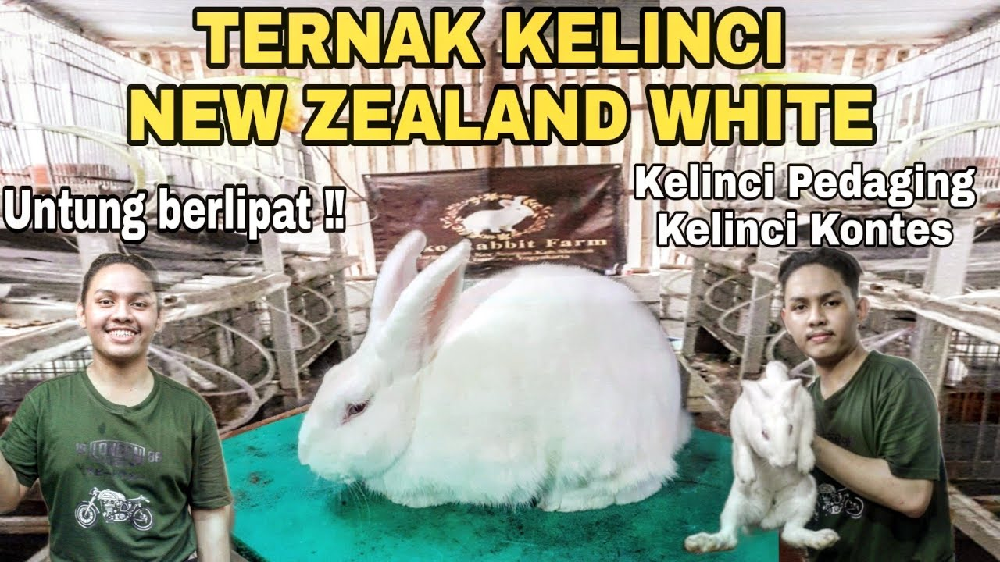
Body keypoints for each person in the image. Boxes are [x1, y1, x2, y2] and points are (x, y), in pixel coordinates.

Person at [0, 253, 234, 562]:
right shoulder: (45, 403)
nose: (122, 314)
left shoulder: (189, 410)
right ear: (82, 313)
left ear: (159, 317)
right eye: (106, 301)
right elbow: (5, 500)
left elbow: (210, 510)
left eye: (139, 303)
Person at [777, 246, 954, 562]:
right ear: (786, 320)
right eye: (800, 307)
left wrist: (805, 440)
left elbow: (912, 496)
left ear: (859, 309)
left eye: (831, 303)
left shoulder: (897, 381)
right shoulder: (805, 401)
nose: (816, 318)